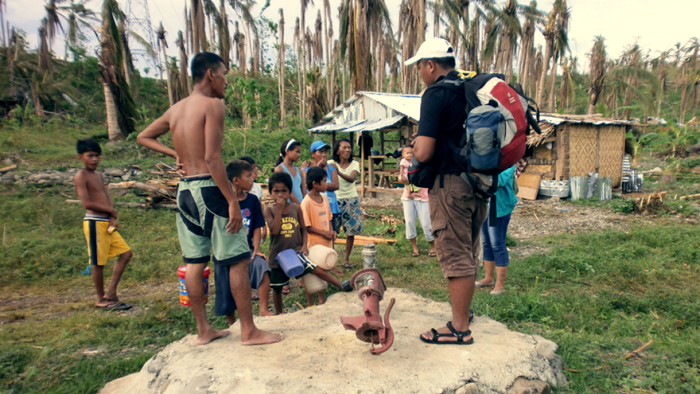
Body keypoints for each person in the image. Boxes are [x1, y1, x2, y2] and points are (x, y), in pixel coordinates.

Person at [137, 52, 282, 346]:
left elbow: (143, 137)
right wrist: (231, 201)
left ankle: (204, 330)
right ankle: (248, 331)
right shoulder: (213, 105)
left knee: (195, 262)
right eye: (224, 74)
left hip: (185, 191)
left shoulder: (175, 110)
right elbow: (212, 157)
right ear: (210, 75)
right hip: (209, 188)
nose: (227, 81)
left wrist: (175, 153)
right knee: (238, 260)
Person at [410, 38, 488, 345]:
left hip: (450, 184)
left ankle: (459, 329)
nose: (420, 73)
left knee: (455, 255)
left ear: (430, 65)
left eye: (420, 66)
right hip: (478, 183)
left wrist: (415, 147)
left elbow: (426, 152)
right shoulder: (471, 89)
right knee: (467, 250)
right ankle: (463, 315)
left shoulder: (436, 93)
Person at [264, 172, 352, 313]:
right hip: (278, 255)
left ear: (290, 191)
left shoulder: (296, 208)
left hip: (296, 250)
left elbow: (304, 230)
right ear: (270, 193)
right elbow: (274, 231)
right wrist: (279, 210)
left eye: (284, 191)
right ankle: (279, 313)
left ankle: (339, 284)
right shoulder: (269, 210)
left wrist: (304, 246)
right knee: (277, 287)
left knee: (314, 268)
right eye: (276, 191)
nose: (280, 195)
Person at [74, 139, 133, 311]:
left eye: (97, 155)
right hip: (93, 223)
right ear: (80, 157)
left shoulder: (98, 175)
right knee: (98, 262)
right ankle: (100, 299)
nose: (95, 159)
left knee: (126, 253)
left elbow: (105, 196)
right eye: (90, 156)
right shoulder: (81, 176)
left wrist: (111, 216)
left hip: (106, 222)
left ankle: (112, 293)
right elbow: (86, 203)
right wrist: (111, 211)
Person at [214, 160, 275, 322]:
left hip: (247, 249)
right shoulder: (221, 202)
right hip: (226, 251)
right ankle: (232, 322)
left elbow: (256, 226)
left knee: (262, 266)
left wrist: (256, 249)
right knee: (226, 285)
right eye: (248, 176)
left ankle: (263, 308)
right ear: (236, 180)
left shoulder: (253, 200)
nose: (252, 179)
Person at [475, 165, 518, 295]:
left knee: (497, 244)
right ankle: (489, 278)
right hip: (485, 206)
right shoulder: (484, 160)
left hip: (499, 207)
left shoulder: (509, 162)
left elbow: (498, 181)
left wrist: (479, 175)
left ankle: (500, 285)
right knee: (486, 243)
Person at [300, 166, 336, 306]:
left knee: (323, 270)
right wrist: (324, 233)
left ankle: (321, 299)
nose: (326, 184)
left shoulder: (325, 199)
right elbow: (307, 226)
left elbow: (330, 218)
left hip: (325, 243)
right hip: (312, 245)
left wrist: (331, 232)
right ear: (315, 183)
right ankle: (310, 303)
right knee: (311, 273)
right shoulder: (306, 203)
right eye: (324, 181)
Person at [327, 139, 363, 268]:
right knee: (331, 230)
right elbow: (319, 167)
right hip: (334, 200)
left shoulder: (354, 164)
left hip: (351, 199)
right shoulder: (330, 163)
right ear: (337, 150)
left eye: (349, 147)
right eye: (344, 148)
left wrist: (338, 172)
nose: (347, 150)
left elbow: (351, 179)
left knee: (350, 231)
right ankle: (331, 257)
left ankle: (346, 259)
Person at [398, 145, 436, 258]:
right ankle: (414, 247)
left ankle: (433, 246)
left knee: (426, 223)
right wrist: (404, 180)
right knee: (409, 222)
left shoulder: (425, 163)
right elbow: (401, 178)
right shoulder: (405, 163)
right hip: (408, 197)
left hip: (423, 197)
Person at [274, 139, 305, 204]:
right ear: (287, 151)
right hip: (289, 208)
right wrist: (298, 206)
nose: (299, 155)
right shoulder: (279, 170)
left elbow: (304, 192)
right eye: (297, 152)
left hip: (301, 207)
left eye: (299, 152)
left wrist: (305, 206)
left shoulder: (299, 171)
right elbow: (288, 192)